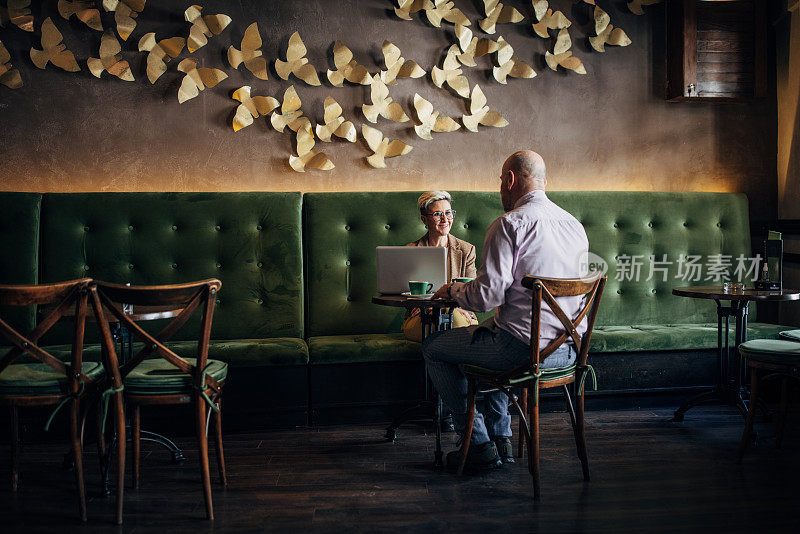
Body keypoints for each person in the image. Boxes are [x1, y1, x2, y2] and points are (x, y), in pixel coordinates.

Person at [423, 151, 589, 472]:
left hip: (521, 352)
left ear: (510, 180)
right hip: (569, 352)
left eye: (501, 181)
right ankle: (502, 439)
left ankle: (478, 444)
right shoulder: (574, 225)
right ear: (544, 182)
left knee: (434, 347)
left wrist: (453, 291)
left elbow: (486, 296)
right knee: (495, 331)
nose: (501, 188)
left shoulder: (509, 224)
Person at [401, 191, 478, 343]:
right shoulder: (411, 250)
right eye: (437, 214)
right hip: (422, 317)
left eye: (448, 213)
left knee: (453, 320)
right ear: (424, 219)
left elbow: (473, 291)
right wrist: (425, 306)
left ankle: (436, 357)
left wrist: (452, 309)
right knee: (444, 328)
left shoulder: (467, 250)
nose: (445, 219)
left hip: (460, 315)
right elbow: (404, 293)